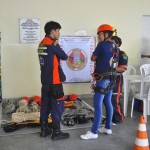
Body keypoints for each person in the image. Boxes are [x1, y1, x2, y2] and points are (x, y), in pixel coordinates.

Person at [80, 24, 119, 140]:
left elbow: (92, 58)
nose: (99, 37)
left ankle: (94, 132)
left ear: (106, 34)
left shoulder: (102, 45)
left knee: (97, 105)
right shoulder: (115, 46)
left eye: (100, 34)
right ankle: (108, 128)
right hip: (112, 79)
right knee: (108, 102)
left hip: (103, 79)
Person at [37, 21, 69, 140]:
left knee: (45, 105)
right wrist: (57, 45)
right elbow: (64, 56)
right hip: (55, 82)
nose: (59, 33)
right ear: (52, 31)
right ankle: (57, 133)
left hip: (45, 81)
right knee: (57, 106)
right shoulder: (52, 44)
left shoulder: (41, 44)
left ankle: (44, 130)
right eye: (58, 31)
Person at [111, 36, 128, 123]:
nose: (110, 45)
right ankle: (111, 117)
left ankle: (119, 117)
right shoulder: (108, 53)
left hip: (117, 78)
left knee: (114, 98)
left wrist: (109, 68)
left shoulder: (122, 54)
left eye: (112, 42)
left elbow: (123, 69)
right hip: (108, 78)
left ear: (117, 44)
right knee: (108, 99)